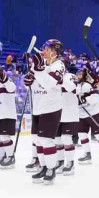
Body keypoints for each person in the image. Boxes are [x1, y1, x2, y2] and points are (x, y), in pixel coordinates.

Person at [24, 39, 65, 185]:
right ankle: (43, 166)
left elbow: (49, 84)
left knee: (47, 140)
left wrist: (38, 70)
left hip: (51, 108)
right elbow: (35, 84)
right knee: (36, 139)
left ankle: (51, 169)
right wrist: (28, 81)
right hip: (38, 106)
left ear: (54, 53)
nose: (43, 51)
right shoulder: (40, 65)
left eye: (47, 49)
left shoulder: (59, 66)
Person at [75, 68, 99, 164]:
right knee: (82, 134)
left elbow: (95, 97)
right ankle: (87, 154)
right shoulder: (76, 86)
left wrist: (84, 99)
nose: (77, 76)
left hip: (93, 113)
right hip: (81, 114)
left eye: (79, 74)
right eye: (77, 74)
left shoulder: (88, 85)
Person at [56, 63, 80, 176]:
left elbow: (72, 87)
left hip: (68, 112)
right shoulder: (60, 76)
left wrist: (60, 79)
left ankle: (70, 163)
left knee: (65, 139)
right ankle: (61, 162)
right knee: (57, 140)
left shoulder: (68, 76)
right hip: (59, 111)